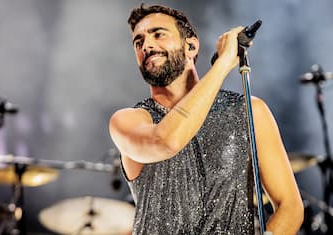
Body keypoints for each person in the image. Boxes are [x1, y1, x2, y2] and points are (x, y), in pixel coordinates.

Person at [109, 3, 303, 235]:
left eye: (158, 34)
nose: (147, 46)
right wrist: (222, 65)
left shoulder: (250, 111)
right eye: (138, 42)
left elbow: (290, 206)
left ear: (191, 46)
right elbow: (166, 141)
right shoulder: (128, 121)